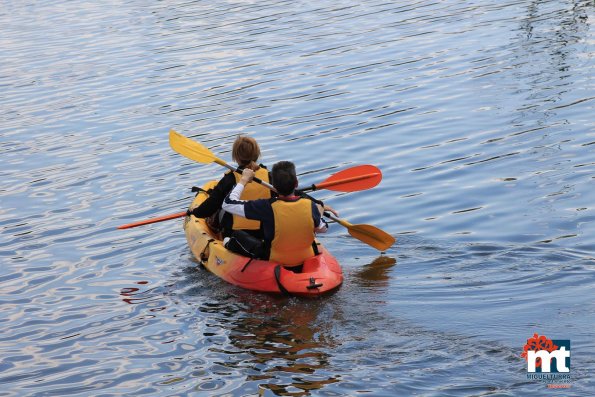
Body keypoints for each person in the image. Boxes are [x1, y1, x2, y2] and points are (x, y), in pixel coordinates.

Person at [222, 161, 334, 266]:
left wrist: (243, 180)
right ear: (296, 184)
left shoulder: (266, 207)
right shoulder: (311, 205)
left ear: (274, 186)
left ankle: (227, 244)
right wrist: (319, 212)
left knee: (237, 235)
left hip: (275, 259)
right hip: (306, 257)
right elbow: (323, 229)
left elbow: (227, 203)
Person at [186, 135, 271, 238]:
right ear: (257, 154)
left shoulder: (229, 179)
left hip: (236, 235)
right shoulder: (269, 177)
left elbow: (209, 207)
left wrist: (194, 212)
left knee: (221, 204)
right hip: (265, 233)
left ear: (236, 157)